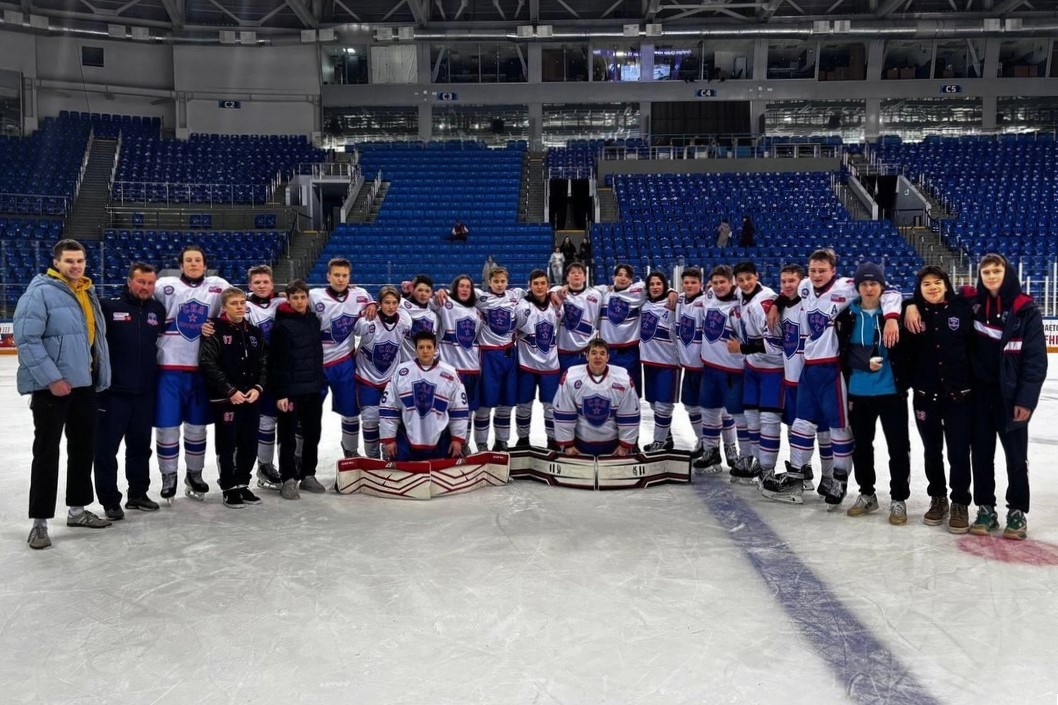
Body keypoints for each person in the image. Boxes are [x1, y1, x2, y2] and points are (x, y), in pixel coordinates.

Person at [907, 253, 1046, 540]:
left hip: (1010, 396)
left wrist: (1026, 400)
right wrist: (909, 305)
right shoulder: (974, 304)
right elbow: (919, 298)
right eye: (986, 272)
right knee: (981, 455)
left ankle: (1017, 510)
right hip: (980, 394)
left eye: (997, 271)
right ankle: (986, 508)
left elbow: (1035, 360)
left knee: (1016, 457)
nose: (992, 276)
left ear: (1007, 273)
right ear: (980, 277)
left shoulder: (1025, 309)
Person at [762, 248, 902, 507]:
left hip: (833, 369)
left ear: (833, 271)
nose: (817, 275)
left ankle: (839, 479)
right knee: (802, 423)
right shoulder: (805, 286)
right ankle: (796, 475)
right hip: (808, 368)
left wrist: (892, 318)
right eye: (813, 270)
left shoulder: (846, 287)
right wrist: (775, 305)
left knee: (838, 426)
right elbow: (788, 291)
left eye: (822, 271)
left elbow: (890, 291)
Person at [15, 238, 113, 549]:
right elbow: (27, 340)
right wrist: (52, 379)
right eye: (69, 261)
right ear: (56, 262)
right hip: (52, 388)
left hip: (84, 385)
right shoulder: (39, 293)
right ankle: (39, 522)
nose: (76, 266)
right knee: (47, 453)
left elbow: (95, 339)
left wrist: (99, 376)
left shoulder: (87, 291)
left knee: (83, 449)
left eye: (80, 260)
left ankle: (77, 510)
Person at [154, 245, 231, 502]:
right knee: (167, 427)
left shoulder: (218, 286)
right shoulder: (165, 286)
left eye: (198, 260)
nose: (194, 263)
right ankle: (168, 475)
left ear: (205, 265)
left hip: (202, 369)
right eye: (189, 260)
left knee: (197, 428)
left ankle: (194, 474)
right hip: (169, 368)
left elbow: (238, 306)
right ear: (181, 265)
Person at [900, 265, 974, 532]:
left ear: (946, 284)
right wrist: (909, 304)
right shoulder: (913, 312)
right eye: (926, 284)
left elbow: (974, 348)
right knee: (932, 451)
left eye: (937, 282)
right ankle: (938, 498)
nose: (932, 287)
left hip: (959, 396)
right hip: (925, 396)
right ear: (919, 289)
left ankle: (960, 502)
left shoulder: (962, 309)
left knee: (958, 452)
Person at [837, 263, 912, 525]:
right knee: (861, 446)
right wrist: (861, 361)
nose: (869, 288)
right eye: (864, 284)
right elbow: (842, 353)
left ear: (882, 286)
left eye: (874, 284)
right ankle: (867, 493)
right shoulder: (846, 316)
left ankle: (898, 498)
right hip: (858, 391)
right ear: (857, 287)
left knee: (898, 447)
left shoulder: (895, 314)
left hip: (891, 391)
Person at [93, 262, 166, 521]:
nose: (146, 287)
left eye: (150, 283)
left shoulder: (157, 310)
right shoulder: (109, 307)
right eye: (141, 282)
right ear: (129, 282)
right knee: (106, 450)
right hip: (112, 393)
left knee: (140, 447)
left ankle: (138, 493)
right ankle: (110, 500)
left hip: (144, 393)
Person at [199, 287, 268, 509]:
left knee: (249, 442)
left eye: (242, 302)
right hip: (226, 399)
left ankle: (243, 483)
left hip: (251, 398)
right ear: (224, 307)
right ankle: (229, 486)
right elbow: (208, 363)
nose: (239, 307)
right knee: (227, 444)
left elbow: (264, 362)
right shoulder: (214, 330)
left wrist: (258, 387)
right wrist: (230, 390)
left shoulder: (254, 332)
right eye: (234, 303)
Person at [773, 263, 833, 491]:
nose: (788, 285)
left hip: (818, 381)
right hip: (791, 380)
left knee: (824, 432)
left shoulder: (814, 304)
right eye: (784, 281)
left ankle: (829, 478)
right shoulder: (782, 308)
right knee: (795, 428)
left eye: (792, 281)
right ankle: (801, 471)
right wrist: (775, 304)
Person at [309, 257, 376, 461]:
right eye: (336, 275)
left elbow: (374, 303)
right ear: (328, 276)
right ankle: (300, 456)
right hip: (315, 365)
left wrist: (373, 303)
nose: (340, 279)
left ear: (349, 277)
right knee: (307, 415)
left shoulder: (360, 295)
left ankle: (350, 451)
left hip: (344, 363)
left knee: (351, 412)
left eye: (344, 275)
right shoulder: (314, 296)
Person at [268, 280, 325, 500]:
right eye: (295, 298)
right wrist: (281, 392)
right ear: (288, 299)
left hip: (313, 389)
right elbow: (277, 362)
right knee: (287, 436)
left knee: (313, 434)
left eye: (303, 297)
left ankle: (308, 473)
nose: (300, 301)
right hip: (291, 392)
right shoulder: (281, 326)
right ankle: (288, 478)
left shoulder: (313, 320)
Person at [729, 261, 782, 483]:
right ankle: (760, 463)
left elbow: (775, 344)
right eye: (741, 280)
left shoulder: (765, 301)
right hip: (752, 367)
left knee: (769, 420)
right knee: (751, 418)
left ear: (757, 276)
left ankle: (768, 470)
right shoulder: (741, 296)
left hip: (772, 368)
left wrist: (741, 348)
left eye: (749, 278)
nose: (745, 283)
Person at [380, 330, 469, 461]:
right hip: (408, 438)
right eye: (421, 347)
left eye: (429, 347)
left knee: (450, 462)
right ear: (415, 349)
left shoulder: (450, 374)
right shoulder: (401, 372)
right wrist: (389, 439)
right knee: (396, 461)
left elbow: (459, 409)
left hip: (440, 439)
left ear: (435, 349)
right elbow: (389, 406)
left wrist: (457, 439)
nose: (425, 351)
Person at [553, 339, 640, 457]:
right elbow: (563, 412)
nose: (598, 357)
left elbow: (629, 414)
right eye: (593, 353)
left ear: (608, 358)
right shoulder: (571, 377)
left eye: (602, 353)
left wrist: (625, 445)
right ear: (587, 356)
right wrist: (568, 445)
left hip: (613, 447)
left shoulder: (623, 379)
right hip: (579, 446)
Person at [355, 286, 412, 459]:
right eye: (387, 302)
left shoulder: (405, 321)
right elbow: (354, 326)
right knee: (370, 419)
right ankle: (372, 457)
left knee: (392, 418)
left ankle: (389, 454)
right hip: (367, 377)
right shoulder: (367, 321)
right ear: (379, 303)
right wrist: (369, 304)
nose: (391, 306)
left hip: (391, 379)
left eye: (394, 302)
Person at [243, 264, 283, 490]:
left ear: (272, 283)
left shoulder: (282, 302)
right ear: (249, 285)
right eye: (257, 282)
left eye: (265, 282)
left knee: (277, 420)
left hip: (279, 370)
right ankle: (260, 466)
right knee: (261, 422)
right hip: (253, 372)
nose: (261, 285)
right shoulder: (244, 306)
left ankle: (279, 465)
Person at [514, 269, 561, 449]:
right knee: (524, 404)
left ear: (548, 285)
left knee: (551, 405)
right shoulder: (522, 306)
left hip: (550, 365)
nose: (539, 287)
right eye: (536, 284)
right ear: (529, 286)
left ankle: (552, 439)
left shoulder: (556, 305)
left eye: (543, 283)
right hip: (526, 365)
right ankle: (523, 439)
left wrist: (555, 292)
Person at [435, 274, 483, 432]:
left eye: (468, 287)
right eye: (461, 286)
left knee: (467, 412)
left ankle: (464, 442)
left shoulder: (477, 311)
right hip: (450, 370)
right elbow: (422, 300)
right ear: (455, 288)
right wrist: (440, 292)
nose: (465, 289)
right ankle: (445, 443)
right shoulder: (445, 304)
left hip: (472, 369)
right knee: (445, 409)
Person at [640, 271, 679, 452]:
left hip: (668, 363)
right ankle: (667, 438)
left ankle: (659, 442)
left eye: (659, 284)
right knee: (654, 404)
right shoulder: (644, 304)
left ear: (665, 285)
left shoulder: (673, 304)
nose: (655, 287)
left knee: (664, 405)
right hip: (649, 362)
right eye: (652, 284)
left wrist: (673, 292)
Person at [599, 263, 647, 393]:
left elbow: (658, 286)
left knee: (631, 389)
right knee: (609, 389)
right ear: (613, 277)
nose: (623, 278)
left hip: (630, 348)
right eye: (619, 275)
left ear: (631, 280)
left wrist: (671, 291)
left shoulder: (638, 292)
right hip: (608, 349)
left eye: (627, 276)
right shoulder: (603, 292)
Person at [674, 267, 706, 456]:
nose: (689, 285)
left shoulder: (706, 301)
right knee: (691, 406)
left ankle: (724, 448)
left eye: (693, 282)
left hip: (706, 366)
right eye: (686, 282)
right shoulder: (679, 300)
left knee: (714, 409)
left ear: (701, 284)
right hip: (689, 365)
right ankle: (702, 441)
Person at [553, 261, 601, 372]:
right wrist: (561, 288)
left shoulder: (596, 295)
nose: (576, 275)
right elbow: (549, 292)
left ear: (585, 277)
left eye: (580, 273)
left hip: (587, 350)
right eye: (573, 272)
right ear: (567, 277)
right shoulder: (558, 293)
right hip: (564, 350)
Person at [400, 274, 439, 362]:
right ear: (413, 291)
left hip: (427, 363)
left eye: (427, 291)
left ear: (431, 293)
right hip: (406, 362)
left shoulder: (435, 316)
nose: (423, 294)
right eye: (420, 290)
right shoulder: (402, 304)